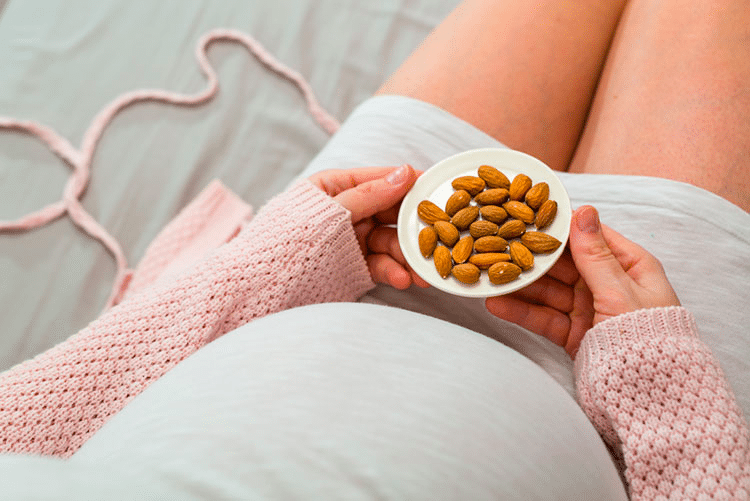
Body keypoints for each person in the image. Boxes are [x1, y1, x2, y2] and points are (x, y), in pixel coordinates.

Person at [0, 0, 748, 499]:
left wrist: (270, 267)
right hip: (634, 395)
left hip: (351, 266)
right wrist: (665, 390)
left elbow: (26, 423)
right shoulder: (656, 382)